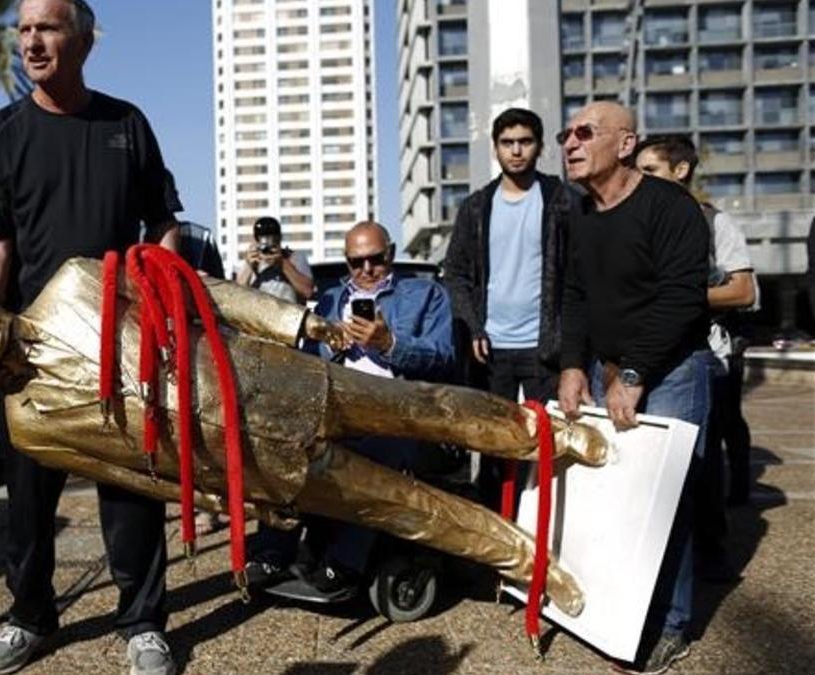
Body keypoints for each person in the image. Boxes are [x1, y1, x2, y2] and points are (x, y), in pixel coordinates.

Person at [0, 258, 612, 618]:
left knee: (424, 406)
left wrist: (293, 322)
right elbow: (133, 475)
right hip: (256, 466)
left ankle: (539, 431)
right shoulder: (28, 422)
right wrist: (228, 502)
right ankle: (527, 561)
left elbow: (202, 292)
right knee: (404, 506)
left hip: (283, 381)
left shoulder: (78, 281)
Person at [0, 1, 181, 673]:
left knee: (131, 488)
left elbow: (161, 225)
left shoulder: (125, 124)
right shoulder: (2, 133)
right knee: (28, 496)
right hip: (31, 350)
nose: (31, 41)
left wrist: (163, 306)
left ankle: (141, 623)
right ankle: (30, 616)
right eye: (23, 29)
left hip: (117, 342)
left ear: (82, 39)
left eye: (47, 27)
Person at [557, 102, 712, 675]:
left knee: (668, 503)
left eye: (584, 133)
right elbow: (574, 295)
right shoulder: (580, 213)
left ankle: (670, 626)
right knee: (623, 501)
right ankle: (626, 615)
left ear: (625, 144)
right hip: (610, 366)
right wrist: (574, 364)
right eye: (565, 135)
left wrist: (638, 373)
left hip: (671, 369)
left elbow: (681, 297)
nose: (569, 143)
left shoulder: (670, 206)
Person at [247, 221, 456, 598]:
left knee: (372, 460)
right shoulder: (329, 298)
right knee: (281, 447)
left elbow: (443, 358)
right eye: (356, 263)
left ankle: (344, 563)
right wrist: (333, 345)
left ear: (390, 254)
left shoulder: (425, 294)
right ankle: (270, 553)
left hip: (397, 409)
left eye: (375, 260)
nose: (366, 271)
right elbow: (307, 361)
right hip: (336, 406)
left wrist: (389, 342)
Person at [634, 135, 758, 582]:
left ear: (680, 170)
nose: (639, 179)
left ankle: (711, 550)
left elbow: (743, 290)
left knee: (703, 460)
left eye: (650, 170)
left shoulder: (714, 223)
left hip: (707, 355)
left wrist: (679, 297)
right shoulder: (638, 220)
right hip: (649, 352)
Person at [442, 107, 575, 511]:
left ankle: (542, 533)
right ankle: (496, 538)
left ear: (538, 147)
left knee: (548, 443)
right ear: (496, 148)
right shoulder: (477, 207)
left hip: (544, 346)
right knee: (494, 447)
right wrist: (474, 326)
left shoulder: (561, 200)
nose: (516, 151)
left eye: (525, 142)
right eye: (507, 143)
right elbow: (456, 274)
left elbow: (575, 275)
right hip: (491, 349)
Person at [235, 216, 315, 304]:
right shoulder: (253, 260)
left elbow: (308, 292)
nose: (267, 243)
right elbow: (237, 297)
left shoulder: (294, 258)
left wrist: (283, 264)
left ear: (279, 238)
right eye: (262, 238)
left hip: (289, 314)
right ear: (256, 240)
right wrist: (249, 267)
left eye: (272, 238)